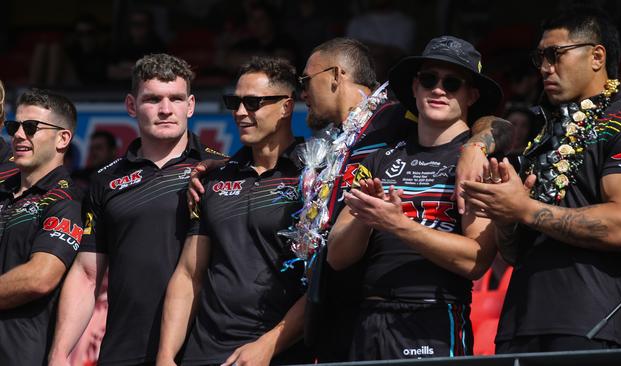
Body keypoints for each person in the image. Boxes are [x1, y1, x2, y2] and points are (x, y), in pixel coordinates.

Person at [187, 37, 512, 362]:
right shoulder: (336, 143)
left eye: (305, 81)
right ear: (416, 85)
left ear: (336, 76)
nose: (302, 93)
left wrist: (476, 146)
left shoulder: (395, 118)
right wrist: (223, 166)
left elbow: (497, 124)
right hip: (352, 320)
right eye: (428, 80)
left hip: (422, 317)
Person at [462, 7, 621, 353]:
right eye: (540, 57)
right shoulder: (546, 127)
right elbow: (516, 252)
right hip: (519, 326)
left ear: (596, 56)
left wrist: (523, 208)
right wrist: (505, 216)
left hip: (589, 328)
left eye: (555, 55)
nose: (545, 67)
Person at [326, 35, 501, 360]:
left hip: (433, 318)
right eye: (429, 79)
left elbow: (476, 259)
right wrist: (367, 220)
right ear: (415, 87)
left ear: (472, 95)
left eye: (452, 83)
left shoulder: (479, 161)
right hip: (370, 321)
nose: (438, 89)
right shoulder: (378, 160)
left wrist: (399, 225)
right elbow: (337, 257)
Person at [48, 53, 226, 366]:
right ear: (131, 105)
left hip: (205, 350)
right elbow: (88, 275)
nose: (166, 109)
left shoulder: (223, 172)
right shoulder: (105, 179)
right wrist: (60, 353)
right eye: (153, 99)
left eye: (176, 98)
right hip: (124, 349)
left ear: (192, 105)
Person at [157, 56, 310, 366]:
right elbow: (189, 273)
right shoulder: (213, 177)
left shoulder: (315, 174)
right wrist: (165, 356)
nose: (240, 113)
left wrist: (269, 345)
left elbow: (326, 281)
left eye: (252, 102)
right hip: (204, 353)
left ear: (286, 106)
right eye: (234, 102)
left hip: (280, 352)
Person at [0, 88, 82, 365]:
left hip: (19, 354)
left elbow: (40, 277)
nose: (19, 135)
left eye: (32, 127)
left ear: (63, 138)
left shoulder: (66, 200)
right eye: (15, 126)